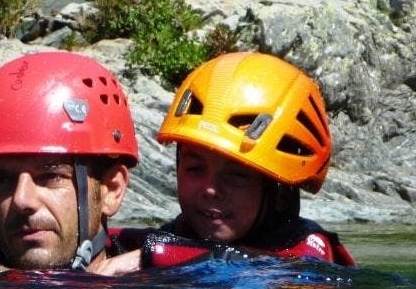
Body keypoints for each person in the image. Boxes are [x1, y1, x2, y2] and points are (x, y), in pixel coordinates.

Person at [90, 51, 355, 276]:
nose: (210, 189)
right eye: (195, 169)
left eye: (236, 175)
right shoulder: (180, 236)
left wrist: (149, 257)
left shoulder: (309, 250)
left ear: (281, 194)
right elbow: (127, 241)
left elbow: (274, 270)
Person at [0, 51, 140, 276]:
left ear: (112, 190)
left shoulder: (162, 286)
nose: (21, 200)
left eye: (51, 176)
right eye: (2, 180)